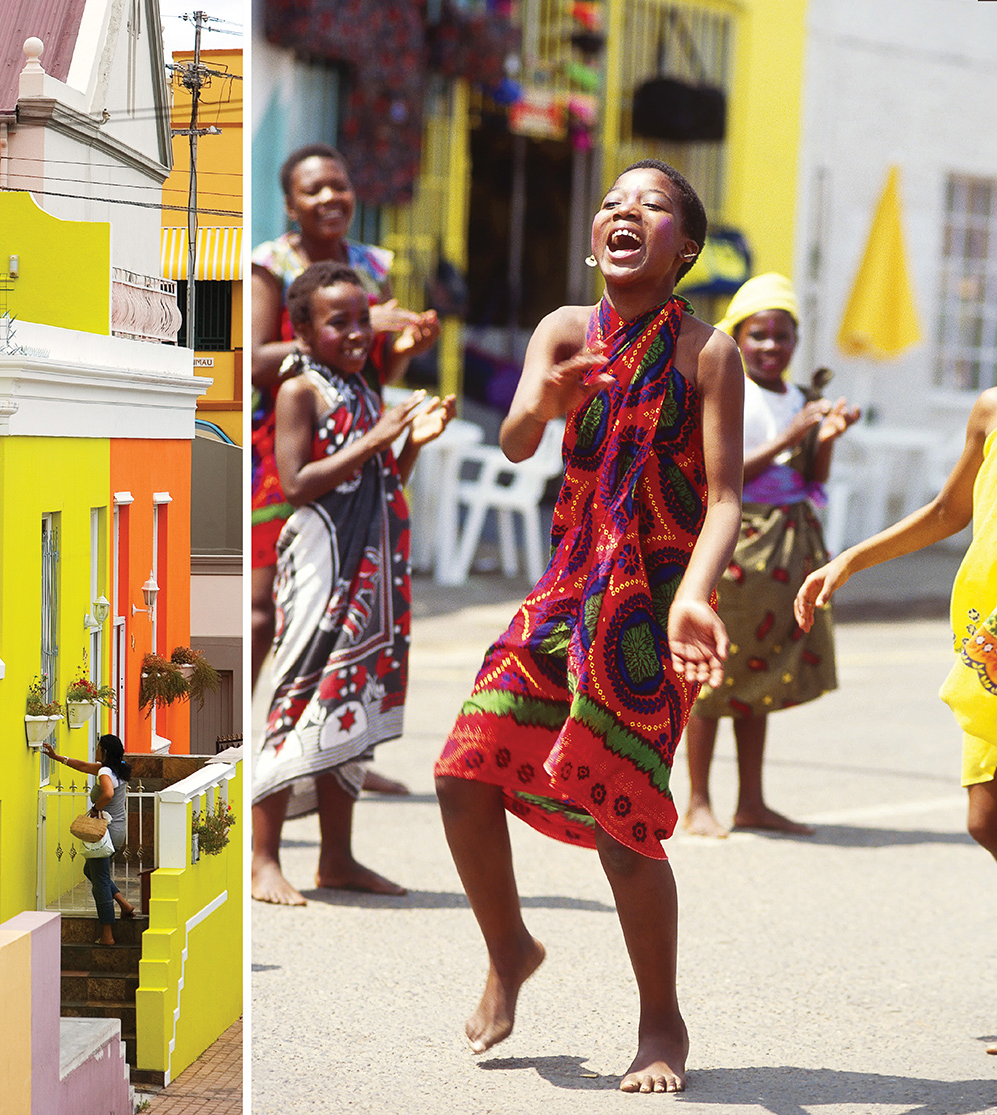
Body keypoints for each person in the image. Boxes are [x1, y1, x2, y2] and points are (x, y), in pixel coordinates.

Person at [434, 160, 745, 1093]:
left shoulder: (709, 351)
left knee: (623, 825)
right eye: (615, 200)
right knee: (459, 771)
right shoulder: (563, 330)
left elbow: (727, 495)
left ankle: (662, 1022)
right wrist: (545, 397)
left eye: (651, 205)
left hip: (654, 607)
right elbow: (519, 438)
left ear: (683, 246)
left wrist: (695, 594)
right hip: (569, 589)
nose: (626, 211)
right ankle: (510, 947)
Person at [795, 389, 997, 1055]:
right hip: (986, 644)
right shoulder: (990, 409)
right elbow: (948, 510)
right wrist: (851, 560)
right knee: (986, 819)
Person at [252, 260, 456, 908]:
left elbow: (380, 473)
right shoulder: (300, 389)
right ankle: (262, 858)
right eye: (338, 321)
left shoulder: (364, 388)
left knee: (351, 697)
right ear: (304, 333)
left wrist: (413, 442)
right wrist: (377, 437)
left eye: (363, 319)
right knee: (298, 693)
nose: (357, 331)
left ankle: (336, 857)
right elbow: (297, 481)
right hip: (320, 561)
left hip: (369, 565)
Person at [250, 143, 440, 695]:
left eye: (339, 185)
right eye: (314, 189)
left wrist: (402, 344)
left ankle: (341, 743)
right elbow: (259, 361)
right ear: (290, 204)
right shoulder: (273, 265)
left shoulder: (371, 266)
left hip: (359, 428)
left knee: (355, 595)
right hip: (287, 438)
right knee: (264, 606)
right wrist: (367, 324)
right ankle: (243, 736)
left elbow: (372, 364)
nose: (330, 197)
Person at [682, 274, 861, 837]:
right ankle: (698, 801)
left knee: (759, 671)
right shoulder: (728, 385)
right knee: (716, 673)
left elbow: (810, 476)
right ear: (737, 335)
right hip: (735, 543)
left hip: (788, 546)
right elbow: (727, 473)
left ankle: (751, 801)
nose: (770, 347)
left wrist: (824, 436)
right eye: (758, 336)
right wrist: (790, 436)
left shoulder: (800, 398)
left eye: (781, 337)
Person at [43, 734, 136, 944]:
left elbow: (108, 794)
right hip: (118, 830)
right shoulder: (117, 768)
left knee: (100, 881)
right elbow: (84, 766)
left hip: (104, 831)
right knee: (90, 871)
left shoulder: (105, 772)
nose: (95, 750)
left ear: (104, 752)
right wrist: (58, 758)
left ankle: (107, 934)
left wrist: (95, 809)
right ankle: (124, 903)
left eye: (98, 747)